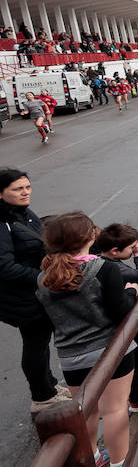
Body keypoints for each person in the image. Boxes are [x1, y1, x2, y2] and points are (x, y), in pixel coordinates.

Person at [34, 212, 138, 467]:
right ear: (90, 237)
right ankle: (121, 465)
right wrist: (130, 291)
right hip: (109, 351)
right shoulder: (103, 269)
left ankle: (92, 458)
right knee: (115, 408)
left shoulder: (44, 276)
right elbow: (121, 312)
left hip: (70, 356)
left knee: (86, 412)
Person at [0, 168, 71, 414]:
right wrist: (44, 277)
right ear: (1, 193)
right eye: (18, 189)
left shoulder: (23, 213)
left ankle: (48, 385)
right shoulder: (2, 223)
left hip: (34, 292)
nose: (25, 192)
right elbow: (5, 268)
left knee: (39, 342)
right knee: (34, 343)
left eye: (28, 187)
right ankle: (41, 397)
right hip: (18, 297)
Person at [92, 223, 138, 413]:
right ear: (115, 251)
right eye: (131, 248)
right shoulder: (111, 267)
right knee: (136, 360)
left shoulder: (107, 260)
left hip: (135, 320)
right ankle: (137, 398)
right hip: (126, 323)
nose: (133, 250)